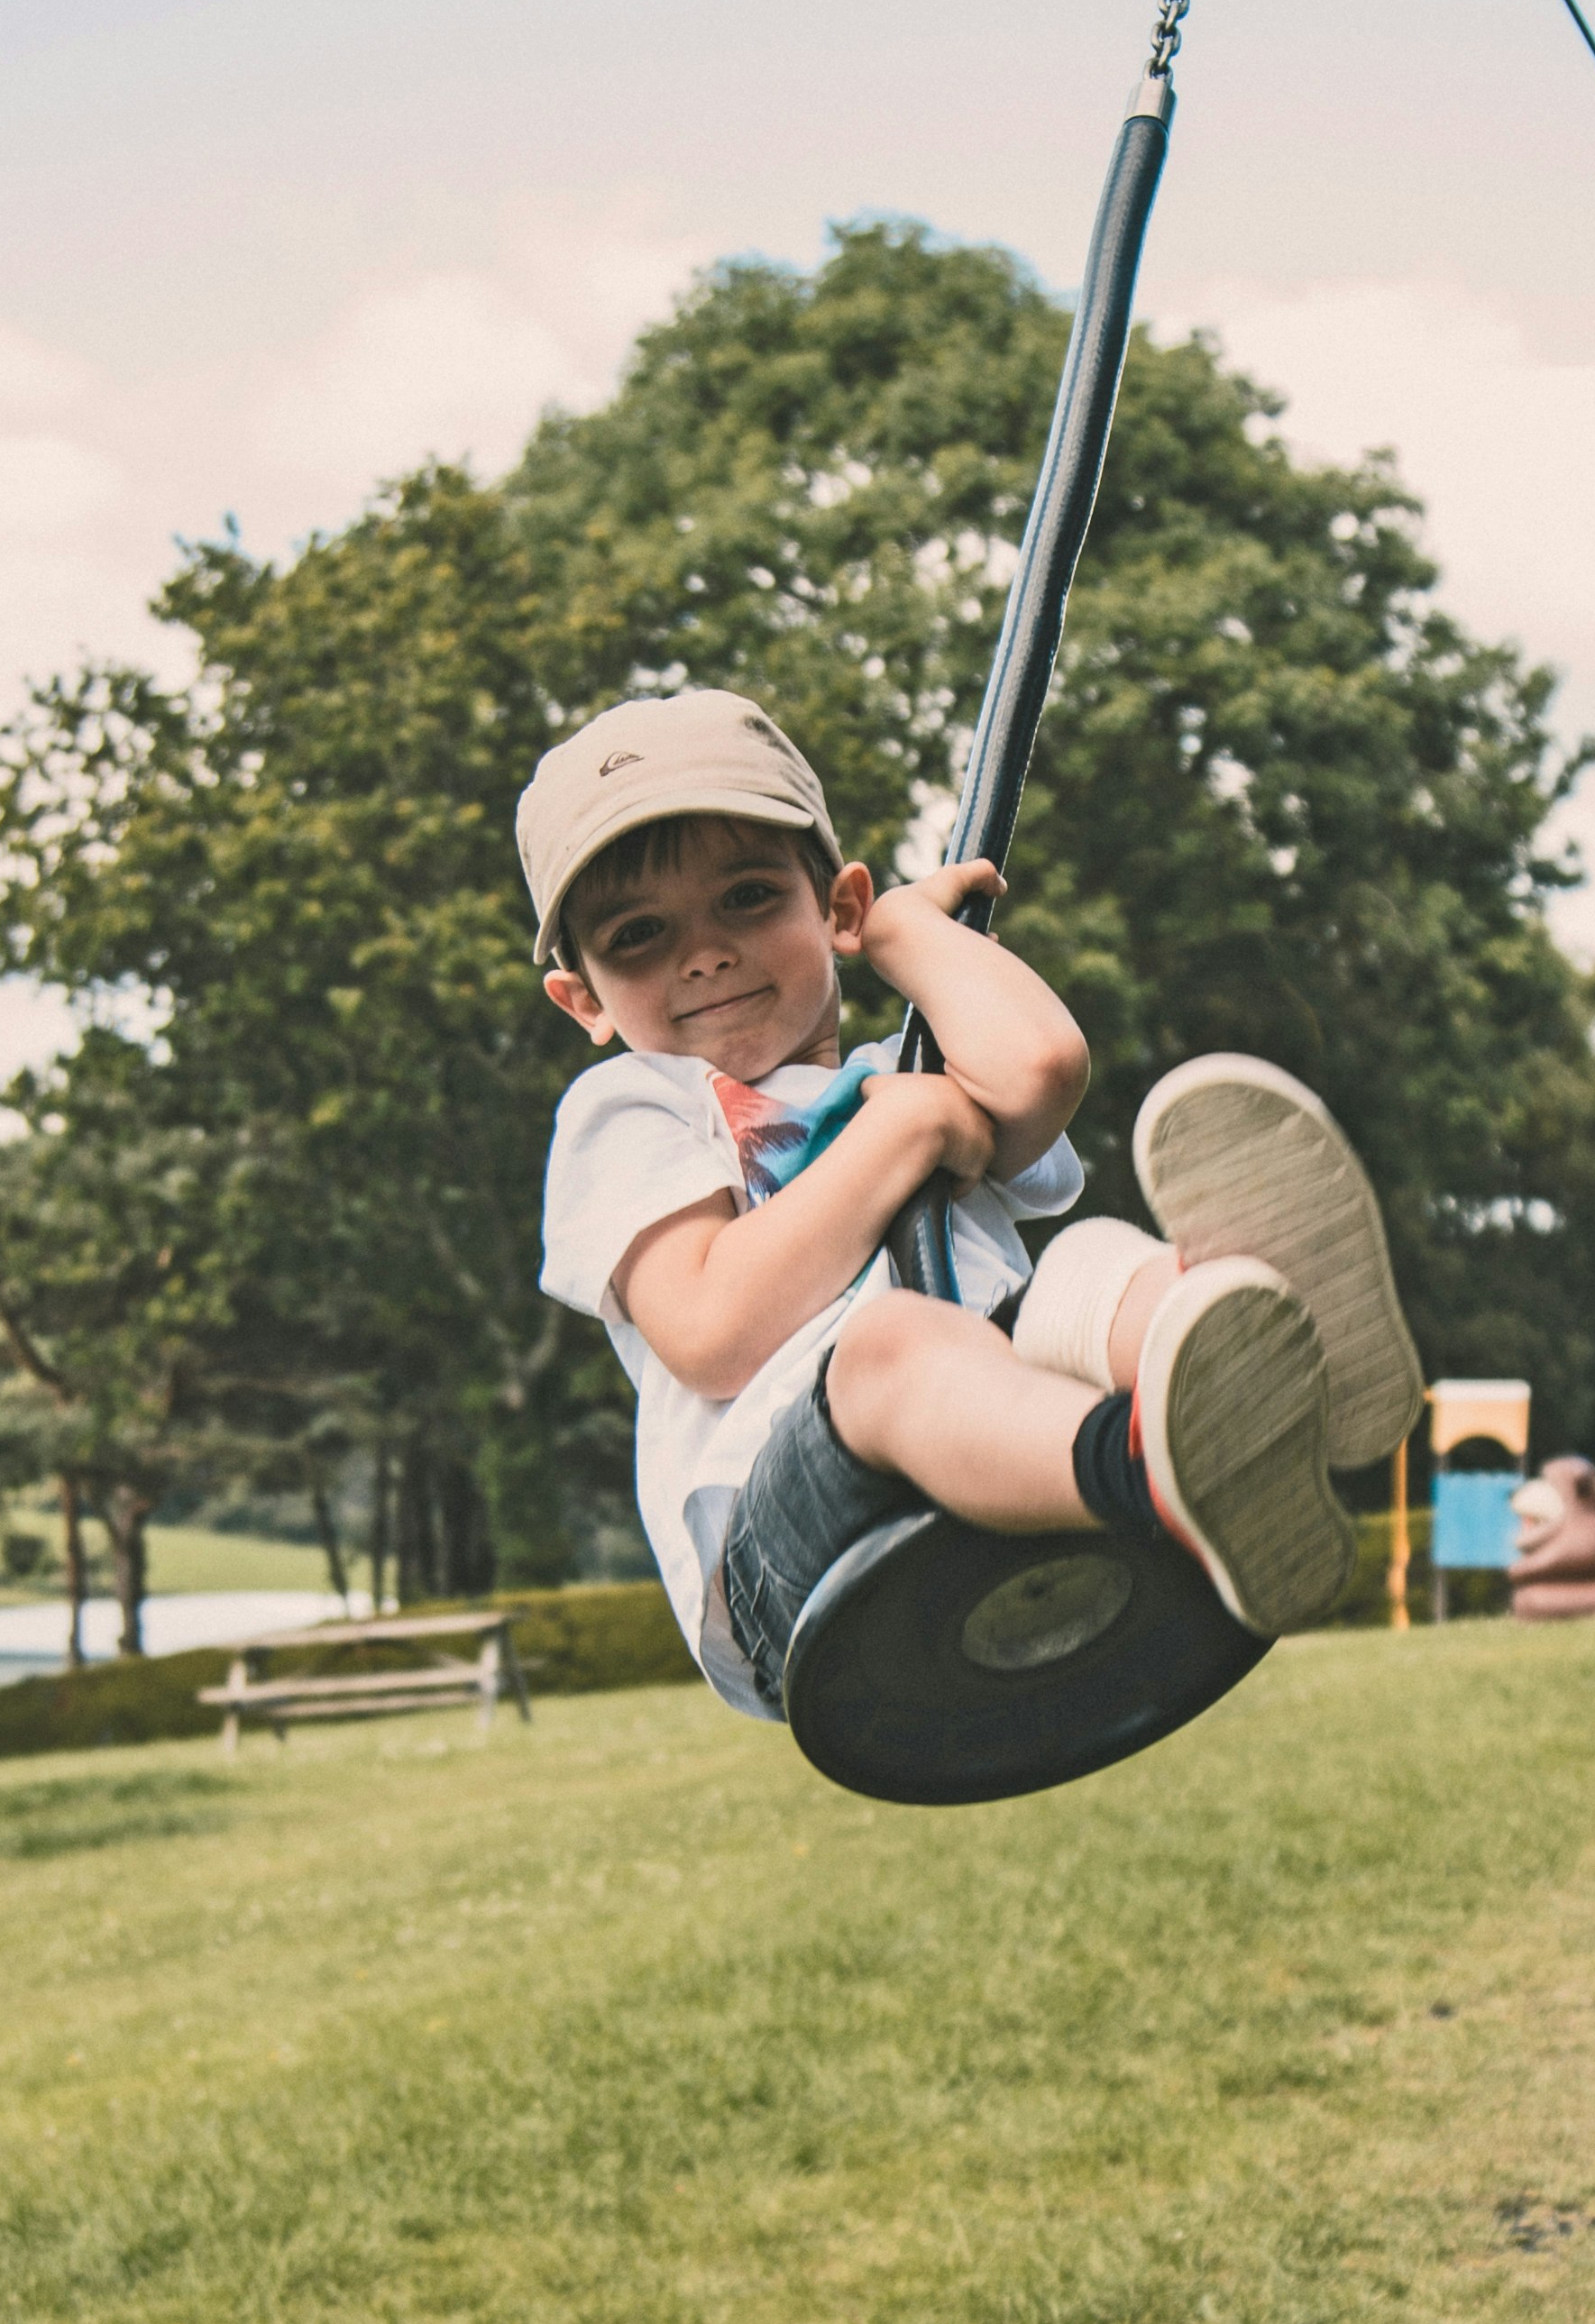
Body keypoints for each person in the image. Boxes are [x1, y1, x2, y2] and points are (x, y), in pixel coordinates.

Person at [523, 691, 1416, 1725]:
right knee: (890, 1345)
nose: (705, 953)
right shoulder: (636, 1109)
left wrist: (909, 938)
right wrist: (905, 1134)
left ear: (838, 908)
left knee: (1086, 1266)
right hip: (792, 1548)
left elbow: (1040, 1068)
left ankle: (1275, 1355)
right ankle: (1165, 1465)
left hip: (1000, 1437)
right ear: (581, 999)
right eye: (637, 936)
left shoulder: (903, 1068)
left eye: (749, 899)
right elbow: (714, 1331)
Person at [1502, 1456, 1595, 1618]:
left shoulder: (1590, 1528)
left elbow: (1574, 1553)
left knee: (1532, 1600)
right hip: (1587, 1587)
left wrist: (1521, 1568)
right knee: (1529, 1598)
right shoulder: (1586, 1523)